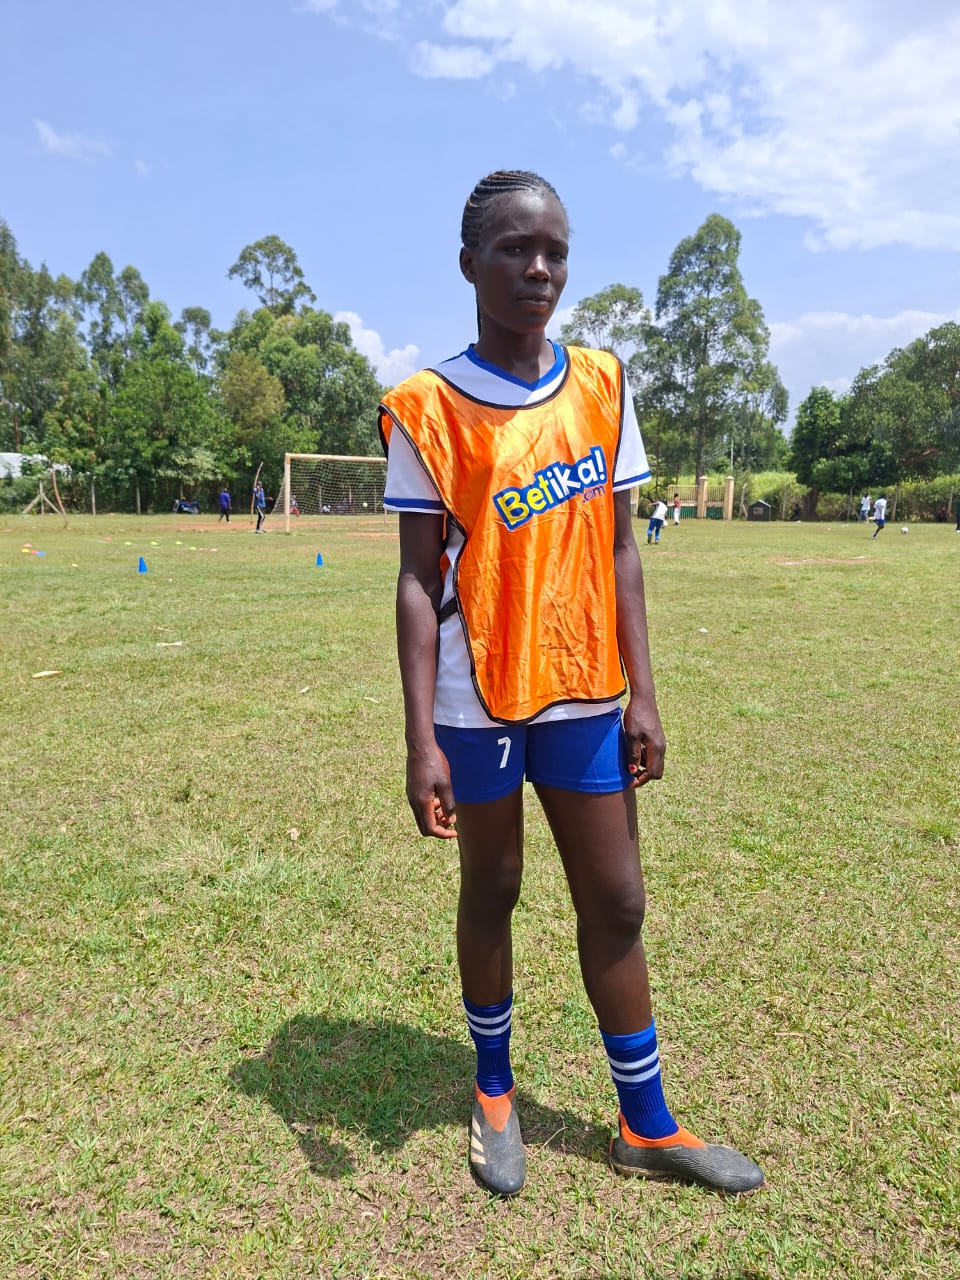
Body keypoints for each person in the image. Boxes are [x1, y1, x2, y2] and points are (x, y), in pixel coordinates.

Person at [379, 170, 764, 1199]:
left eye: (554, 249)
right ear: (470, 263)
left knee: (618, 898)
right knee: (494, 887)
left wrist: (646, 693)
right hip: (477, 699)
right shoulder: (428, 408)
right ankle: (495, 1093)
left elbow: (622, 550)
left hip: (587, 690)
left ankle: (647, 1124)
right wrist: (420, 739)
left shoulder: (601, 385)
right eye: (514, 248)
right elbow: (417, 581)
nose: (538, 268)